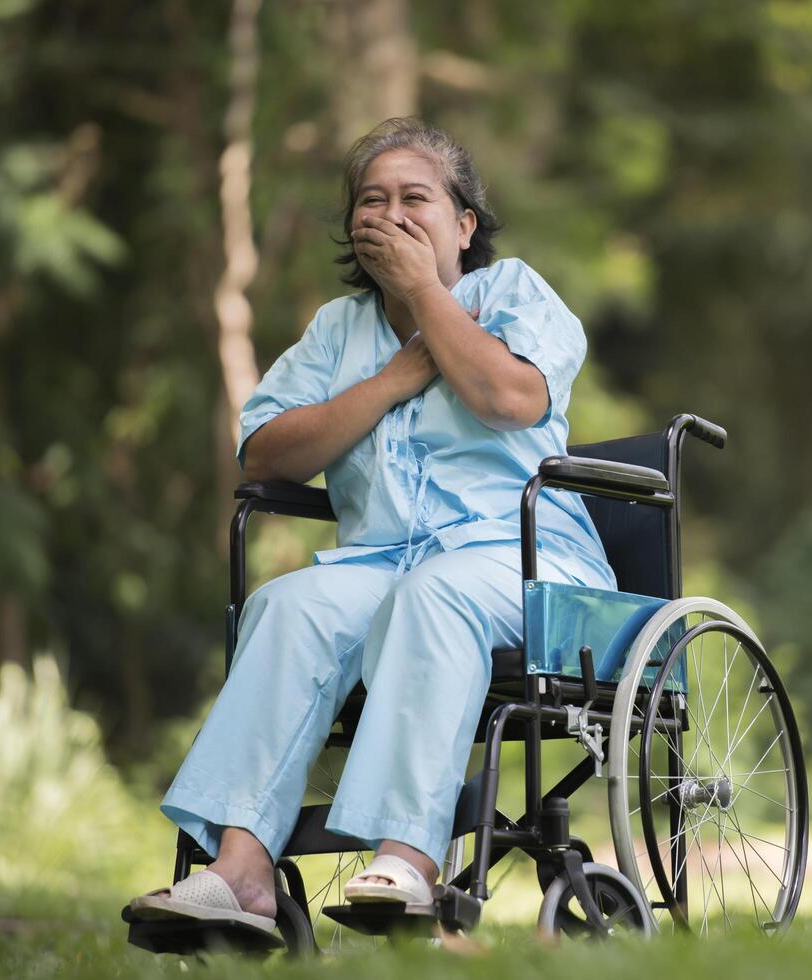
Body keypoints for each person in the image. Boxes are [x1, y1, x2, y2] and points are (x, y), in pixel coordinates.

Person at [129, 117, 618, 937]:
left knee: (434, 594)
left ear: (463, 224)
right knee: (287, 605)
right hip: (380, 563)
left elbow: (512, 400)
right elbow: (267, 453)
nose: (390, 214)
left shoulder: (511, 294)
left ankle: (407, 861)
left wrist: (428, 295)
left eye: (415, 198)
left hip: (521, 559)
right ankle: (242, 872)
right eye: (372, 200)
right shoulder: (336, 330)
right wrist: (391, 380)